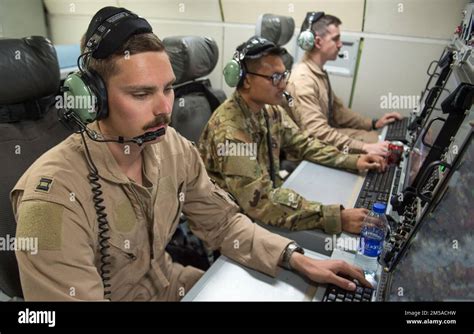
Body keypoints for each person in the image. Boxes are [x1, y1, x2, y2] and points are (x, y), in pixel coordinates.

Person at [11, 7, 371, 301]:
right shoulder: (49, 201)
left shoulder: (172, 147)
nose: (163, 108)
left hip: (172, 284)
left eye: (168, 88)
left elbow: (224, 223)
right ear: (92, 100)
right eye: (141, 94)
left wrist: (294, 258)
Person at [198, 36, 386, 236]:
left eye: (284, 75)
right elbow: (259, 202)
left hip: (260, 207)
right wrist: (335, 217)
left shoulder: (270, 111)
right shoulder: (230, 132)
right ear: (246, 80)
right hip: (228, 223)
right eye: (275, 78)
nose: (283, 84)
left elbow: (304, 144)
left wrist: (353, 160)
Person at [286, 12, 403, 156]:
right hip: (308, 151)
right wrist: (364, 147)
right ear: (317, 42)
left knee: (384, 141)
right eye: (336, 39)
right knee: (386, 150)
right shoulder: (303, 80)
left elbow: (339, 112)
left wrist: (373, 123)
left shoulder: (318, 73)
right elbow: (317, 133)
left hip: (326, 136)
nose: (340, 44)